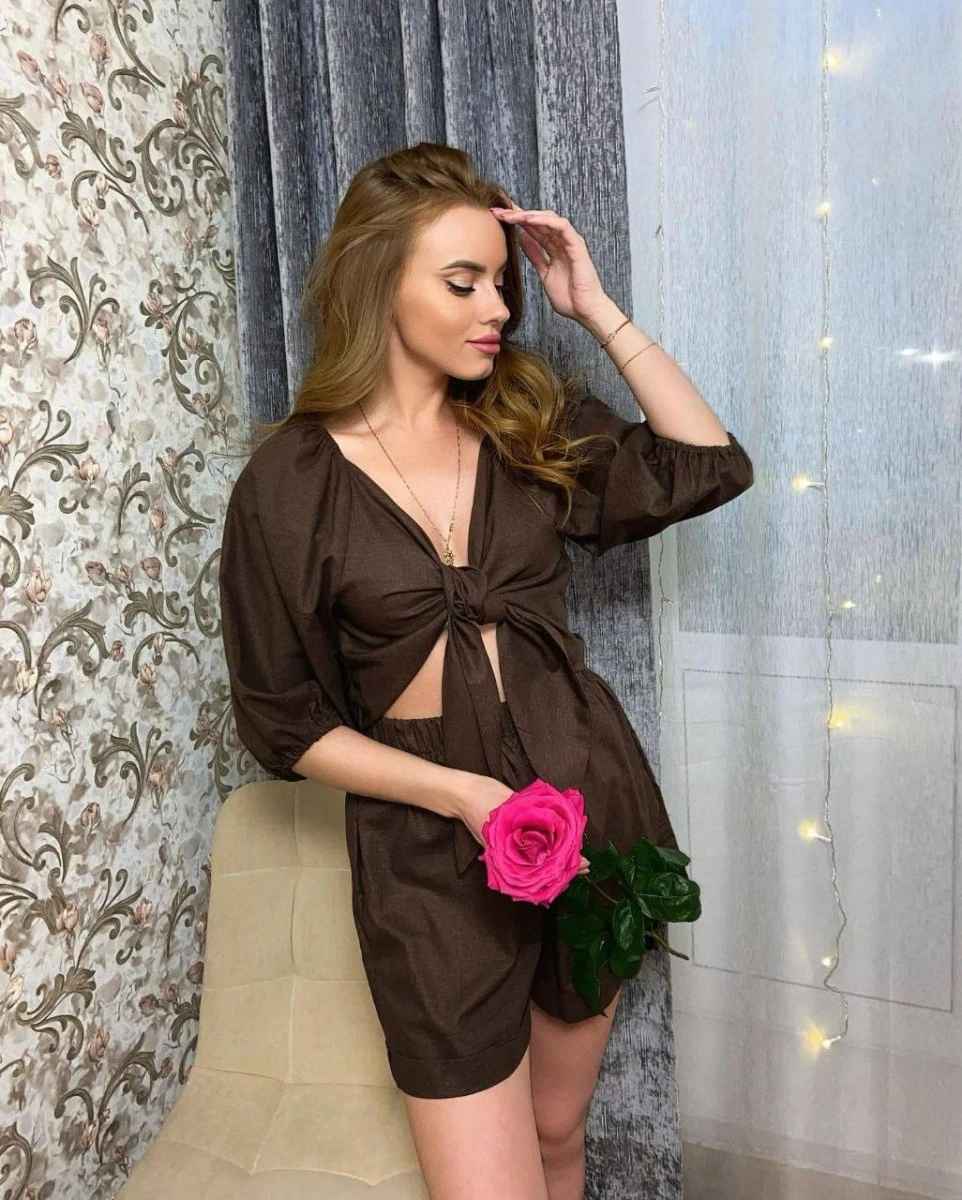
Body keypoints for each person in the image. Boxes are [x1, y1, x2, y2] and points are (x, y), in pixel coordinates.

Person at [218, 142, 754, 1200]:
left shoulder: (524, 425)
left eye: (501, 284)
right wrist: (461, 794)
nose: (497, 309)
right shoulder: (286, 484)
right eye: (461, 283)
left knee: (557, 1135)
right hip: (428, 860)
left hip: (587, 809)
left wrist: (592, 306)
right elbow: (282, 722)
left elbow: (705, 466)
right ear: (377, 282)